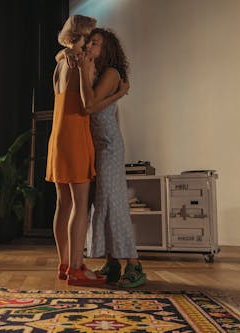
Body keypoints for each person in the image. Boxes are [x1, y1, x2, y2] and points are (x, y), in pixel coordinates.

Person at [77, 28, 147, 288]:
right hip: (99, 146)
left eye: (95, 44)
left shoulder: (111, 73)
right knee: (102, 204)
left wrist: (119, 93)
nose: (89, 47)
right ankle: (113, 262)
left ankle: (135, 265)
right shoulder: (97, 72)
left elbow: (90, 106)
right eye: (89, 43)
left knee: (114, 205)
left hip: (108, 147)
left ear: (107, 49)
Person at [45, 14, 104, 286]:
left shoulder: (60, 63)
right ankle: (77, 268)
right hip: (75, 134)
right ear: (79, 36)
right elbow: (85, 105)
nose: (92, 43)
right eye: (89, 36)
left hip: (58, 135)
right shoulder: (81, 62)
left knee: (63, 203)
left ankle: (65, 263)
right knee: (81, 205)